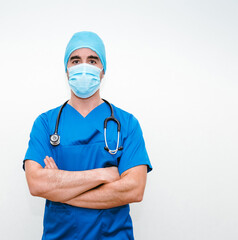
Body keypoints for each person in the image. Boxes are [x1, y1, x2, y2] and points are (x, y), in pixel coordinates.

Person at [23, 31, 152, 240]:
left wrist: (59, 189)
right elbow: (37, 184)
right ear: (66, 69)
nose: (84, 67)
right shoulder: (46, 123)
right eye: (75, 60)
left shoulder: (127, 123)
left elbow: (134, 190)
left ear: (103, 70)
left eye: (92, 60)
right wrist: (103, 175)